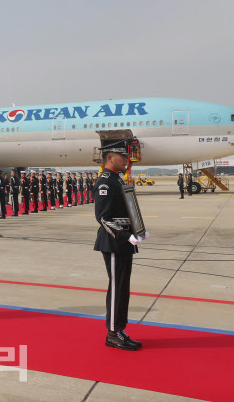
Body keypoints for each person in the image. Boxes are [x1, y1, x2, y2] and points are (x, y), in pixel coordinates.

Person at [94, 140, 149, 351]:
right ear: (110, 158)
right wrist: (124, 235)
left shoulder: (117, 180)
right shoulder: (106, 182)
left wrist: (138, 230)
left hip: (125, 240)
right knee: (117, 288)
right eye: (123, 156)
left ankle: (119, 329)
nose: (126, 159)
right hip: (114, 242)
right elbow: (103, 217)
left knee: (123, 287)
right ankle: (113, 333)